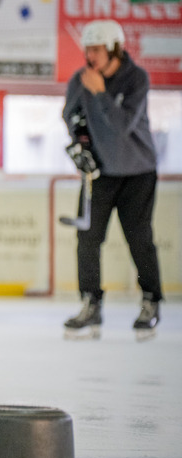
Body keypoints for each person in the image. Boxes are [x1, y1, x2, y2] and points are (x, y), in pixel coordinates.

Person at [61, 19, 162, 341]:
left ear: (114, 49)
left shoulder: (136, 78)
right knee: (87, 238)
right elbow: (70, 114)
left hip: (137, 172)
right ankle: (91, 302)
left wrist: (101, 94)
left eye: (96, 50)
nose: (90, 56)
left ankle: (150, 301)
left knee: (139, 239)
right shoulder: (82, 79)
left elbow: (122, 126)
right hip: (100, 172)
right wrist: (80, 140)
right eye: (87, 50)